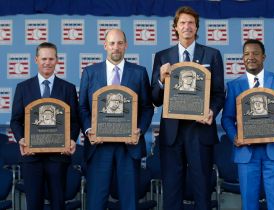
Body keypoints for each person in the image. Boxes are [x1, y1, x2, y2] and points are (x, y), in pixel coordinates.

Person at [151, 6, 225, 210]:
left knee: (202, 191)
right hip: (172, 134)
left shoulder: (212, 55)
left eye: (191, 23)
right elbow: (155, 98)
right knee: (172, 192)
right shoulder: (162, 57)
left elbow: (219, 93)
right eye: (182, 22)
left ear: (196, 27)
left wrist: (211, 111)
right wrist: (160, 80)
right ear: (175, 27)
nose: (186, 26)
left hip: (200, 132)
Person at [79, 29, 154, 210]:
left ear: (126, 45)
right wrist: (89, 130)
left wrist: (140, 130)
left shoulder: (139, 72)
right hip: (99, 147)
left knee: (129, 202)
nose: (116, 47)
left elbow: (147, 108)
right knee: (96, 202)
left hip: (129, 147)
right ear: (105, 45)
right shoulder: (90, 72)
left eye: (120, 43)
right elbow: (82, 107)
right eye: (112, 43)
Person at [221, 39, 274, 210]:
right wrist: (235, 136)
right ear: (242, 58)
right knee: (249, 203)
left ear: (264, 57)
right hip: (246, 152)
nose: (251, 57)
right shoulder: (234, 86)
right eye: (246, 54)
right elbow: (226, 118)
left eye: (255, 53)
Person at [10, 42, 80, 210]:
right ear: (36, 60)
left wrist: (71, 139)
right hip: (32, 157)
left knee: (58, 203)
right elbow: (15, 120)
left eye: (50, 59)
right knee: (34, 204)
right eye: (43, 59)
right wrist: (21, 139)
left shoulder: (68, 88)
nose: (47, 63)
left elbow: (75, 120)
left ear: (57, 60)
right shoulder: (23, 88)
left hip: (58, 156)